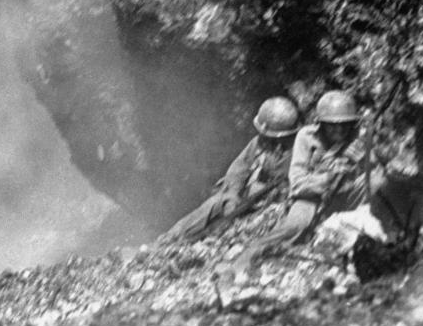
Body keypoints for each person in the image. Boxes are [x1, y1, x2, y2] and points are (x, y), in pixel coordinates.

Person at [230, 90, 380, 268]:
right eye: (332, 125)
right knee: (294, 227)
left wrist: (366, 159)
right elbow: (298, 183)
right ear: (321, 124)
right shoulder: (306, 137)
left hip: (348, 196)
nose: (339, 130)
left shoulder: (360, 137)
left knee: (378, 182)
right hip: (311, 198)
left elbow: (380, 172)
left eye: (345, 124)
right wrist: (328, 176)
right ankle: (247, 257)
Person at [162, 97, 299, 242]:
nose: (265, 139)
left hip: (273, 207)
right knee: (215, 203)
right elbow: (239, 169)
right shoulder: (259, 143)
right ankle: (170, 238)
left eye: (270, 136)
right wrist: (232, 196)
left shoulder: (300, 148)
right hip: (248, 198)